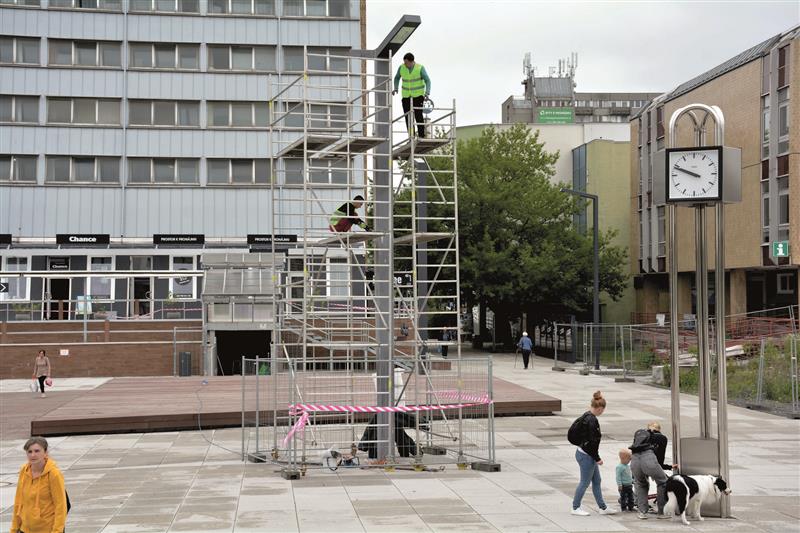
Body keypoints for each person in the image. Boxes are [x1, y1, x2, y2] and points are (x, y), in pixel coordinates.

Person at [571, 391, 617, 516]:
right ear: (600, 408)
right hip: (587, 456)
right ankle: (575, 507)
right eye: (603, 410)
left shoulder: (586, 415)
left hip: (584, 453)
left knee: (597, 480)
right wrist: (597, 458)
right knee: (585, 482)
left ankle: (602, 507)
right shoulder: (592, 421)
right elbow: (592, 443)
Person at [10, 437, 68, 533]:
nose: (33, 455)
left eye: (37, 451)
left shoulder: (54, 474)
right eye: (29, 451)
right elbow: (18, 502)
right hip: (25, 529)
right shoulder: (24, 471)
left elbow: (61, 506)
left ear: (45, 453)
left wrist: (57, 531)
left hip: (47, 529)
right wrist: (14, 528)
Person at [630, 420, 673, 520]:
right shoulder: (662, 438)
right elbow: (659, 461)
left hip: (635, 460)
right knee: (662, 482)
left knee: (641, 483)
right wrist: (669, 467)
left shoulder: (639, 435)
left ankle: (642, 512)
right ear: (659, 430)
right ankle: (661, 512)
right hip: (649, 459)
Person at [392, 53, 431, 138]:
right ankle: (411, 136)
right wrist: (396, 88)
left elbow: (428, 80)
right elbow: (396, 78)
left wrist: (427, 93)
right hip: (406, 97)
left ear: (411, 61)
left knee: (418, 116)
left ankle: (421, 136)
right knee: (408, 117)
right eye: (404, 62)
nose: (405, 64)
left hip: (418, 96)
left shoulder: (420, 68)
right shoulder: (402, 67)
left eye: (406, 63)